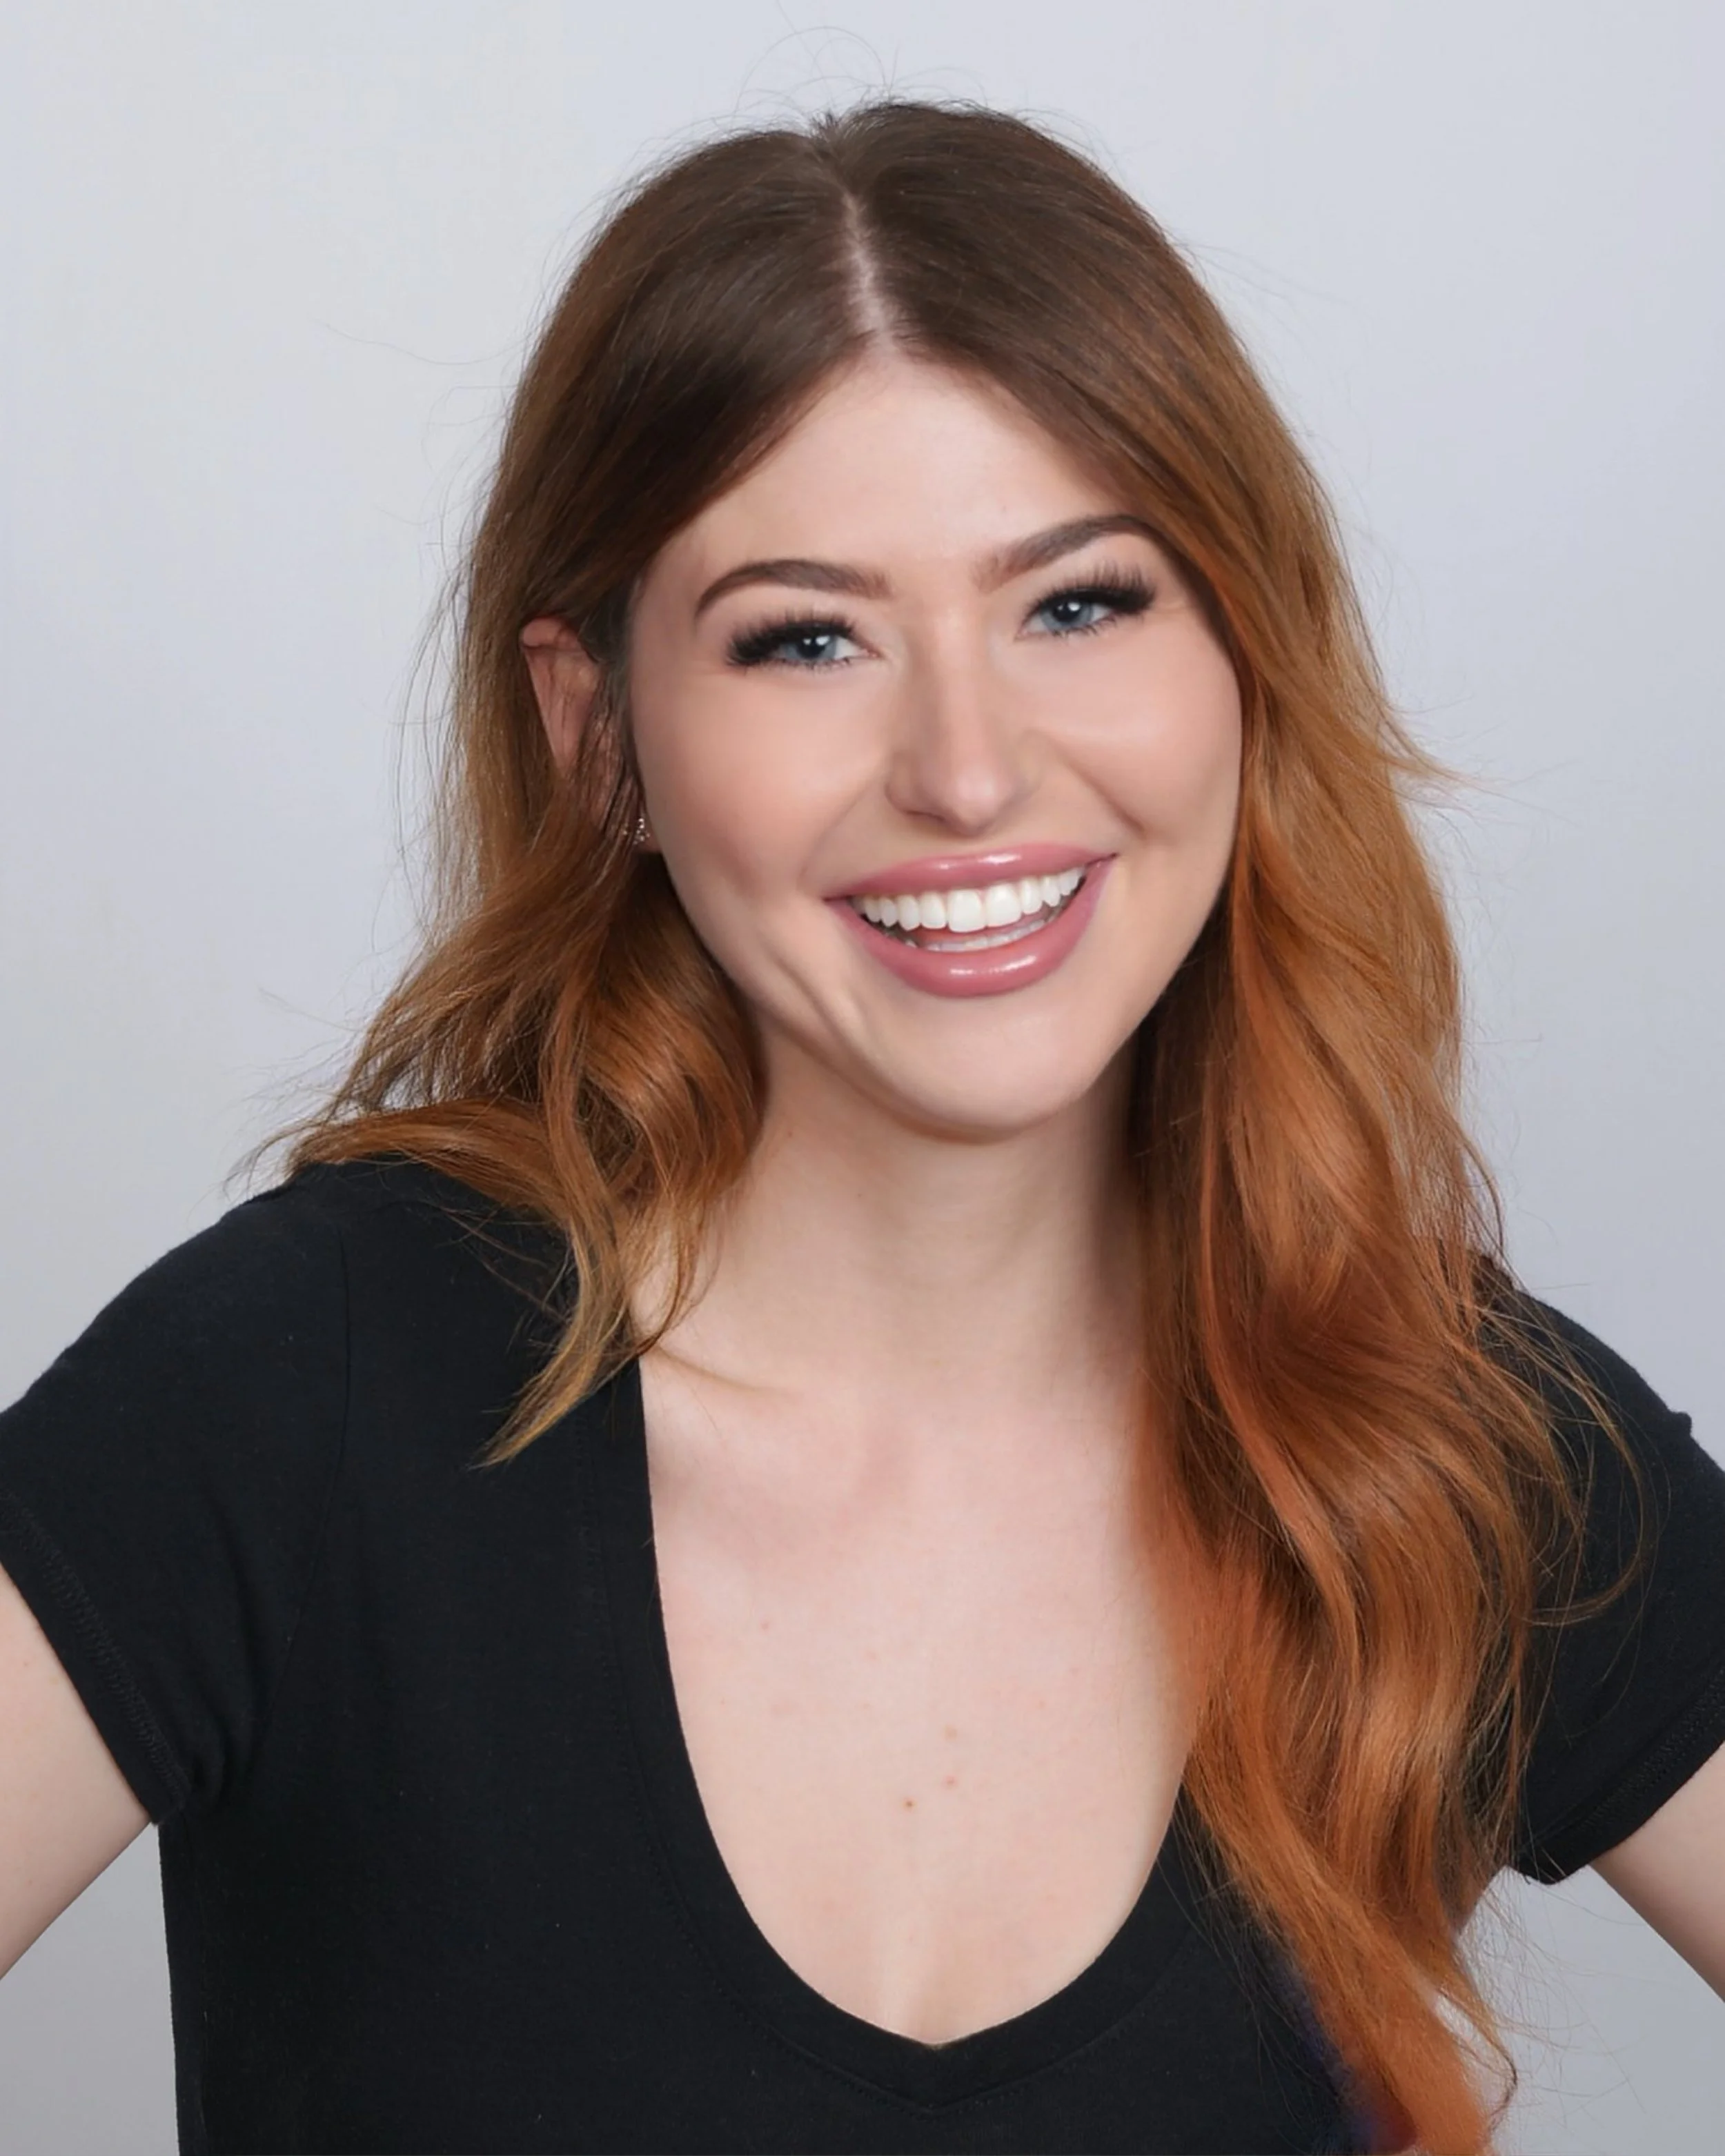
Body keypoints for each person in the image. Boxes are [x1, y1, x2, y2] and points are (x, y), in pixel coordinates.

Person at [1, 97, 1722, 2156]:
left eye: (1078, 601)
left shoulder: (1441, 1444)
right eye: (806, 635)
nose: (969, 770)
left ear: (1243, 655)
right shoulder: (293, 1393)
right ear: (598, 732)